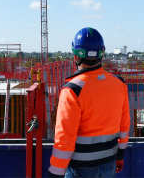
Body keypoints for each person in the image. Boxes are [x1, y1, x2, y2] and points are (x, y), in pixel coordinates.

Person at [49, 28, 130, 177]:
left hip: (80, 169)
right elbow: (124, 127)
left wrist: (56, 172)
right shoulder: (120, 84)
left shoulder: (73, 90)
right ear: (102, 54)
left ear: (75, 55)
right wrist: (120, 156)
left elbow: (64, 139)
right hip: (109, 164)